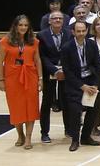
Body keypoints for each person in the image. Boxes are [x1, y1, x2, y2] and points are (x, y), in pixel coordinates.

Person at [0, 15, 41, 149]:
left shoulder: (34, 41)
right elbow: (0, 62)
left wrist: (40, 79)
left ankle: (28, 138)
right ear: (15, 26)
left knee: (31, 107)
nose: (23, 28)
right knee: (16, 107)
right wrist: (1, 80)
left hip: (30, 76)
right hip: (12, 78)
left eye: (26, 25)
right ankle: (20, 134)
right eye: (20, 25)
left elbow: (37, 60)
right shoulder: (5, 41)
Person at [61, 21, 100, 151]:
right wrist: (82, 86)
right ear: (73, 32)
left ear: (86, 31)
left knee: (93, 110)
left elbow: (97, 65)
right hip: (75, 84)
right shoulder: (67, 47)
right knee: (75, 111)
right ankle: (74, 140)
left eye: (83, 31)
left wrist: (95, 84)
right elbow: (67, 71)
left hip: (90, 81)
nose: (81, 33)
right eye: (78, 31)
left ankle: (85, 137)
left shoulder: (92, 44)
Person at [38, 12, 68, 144]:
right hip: (49, 73)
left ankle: (69, 130)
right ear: (49, 21)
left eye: (60, 18)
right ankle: (44, 133)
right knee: (46, 103)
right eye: (54, 18)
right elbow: (42, 57)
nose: (57, 20)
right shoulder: (42, 35)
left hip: (65, 73)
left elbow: (70, 53)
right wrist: (55, 70)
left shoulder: (68, 33)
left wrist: (64, 69)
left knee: (66, 101)